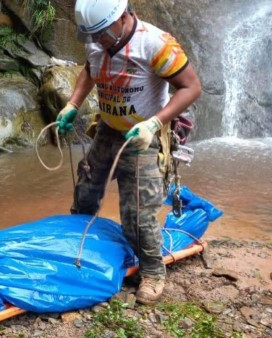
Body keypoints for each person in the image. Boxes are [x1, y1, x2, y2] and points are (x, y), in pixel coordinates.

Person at [56, 0, 202, 305]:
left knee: (138, 212)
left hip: (143, 136)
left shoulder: (156, 44)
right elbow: (89, 69)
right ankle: (78, 249)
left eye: (103, 34)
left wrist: (154, 122)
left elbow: (191, 87)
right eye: (92, 35)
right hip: (108, 129)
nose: (98, 41)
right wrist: (73, 103)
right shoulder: (96, 37)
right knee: (85, 192)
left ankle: (152, 272)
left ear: (123, 17)